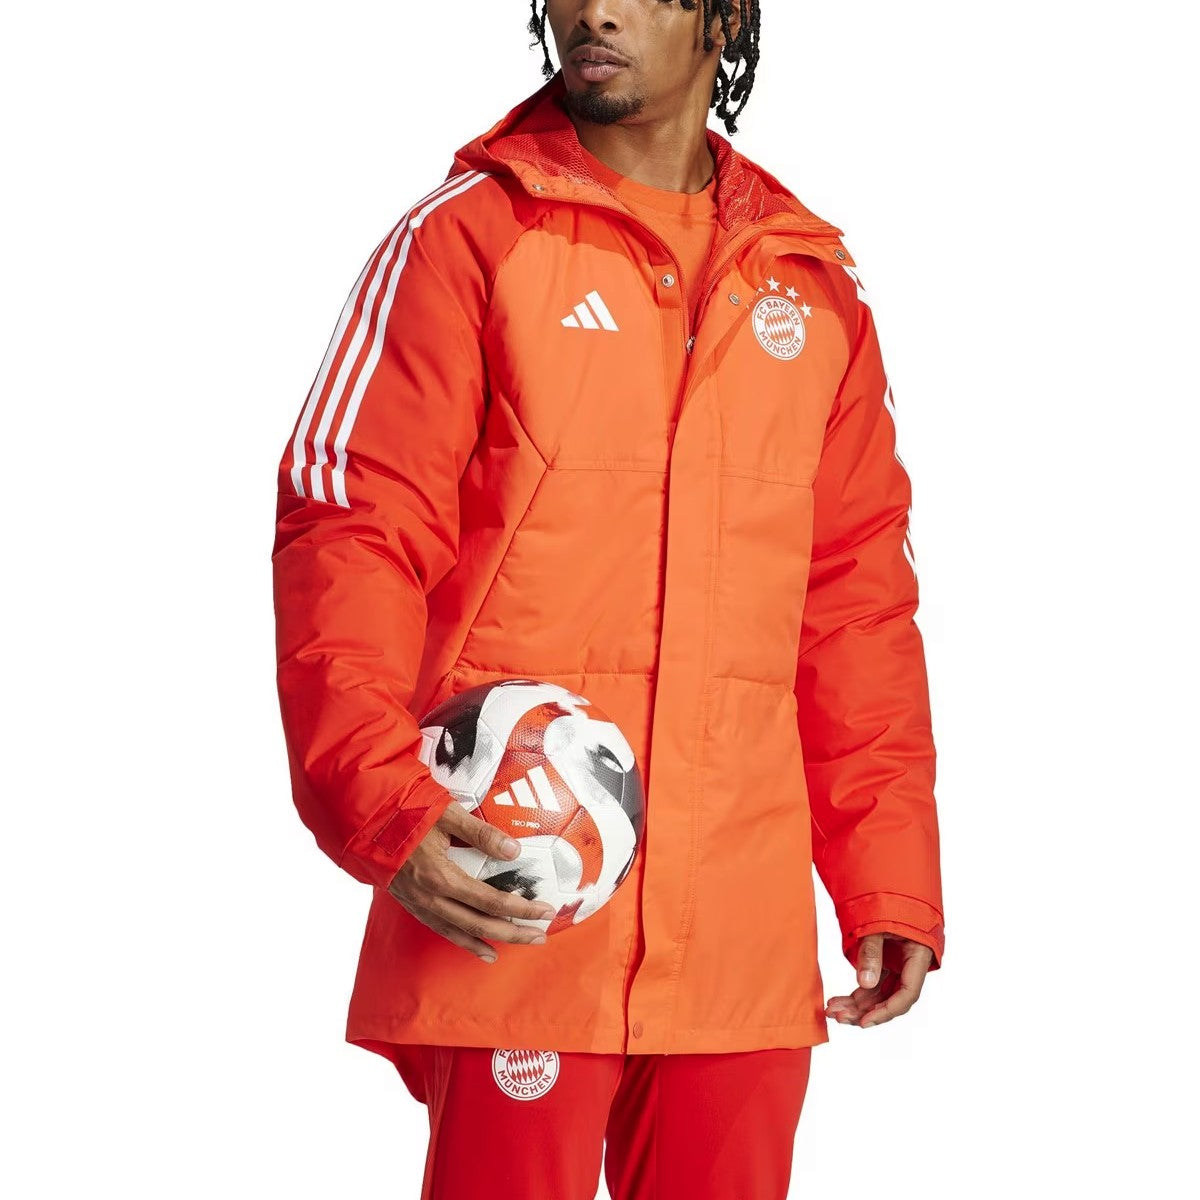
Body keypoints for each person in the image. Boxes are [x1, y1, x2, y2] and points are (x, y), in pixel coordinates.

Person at [271, 2, 945, 1196]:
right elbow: (352, 529)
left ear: (724, 17)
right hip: (516, 881)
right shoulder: (470, 238)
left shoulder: (810, 287)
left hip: (736, 925)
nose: (596, 10)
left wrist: (885, 873)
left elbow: (856, 606)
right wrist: (383, 800)